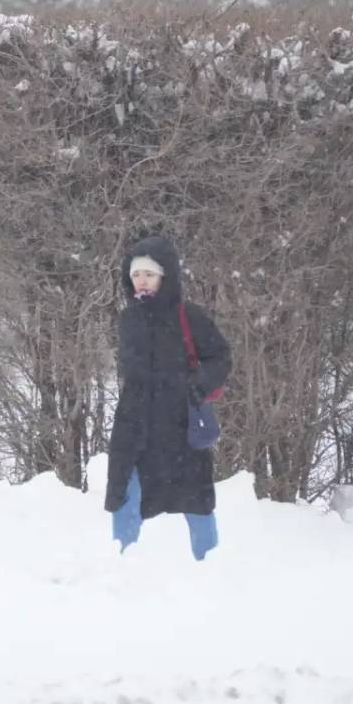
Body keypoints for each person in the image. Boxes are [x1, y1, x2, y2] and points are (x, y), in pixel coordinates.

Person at [106, 235, 232, 560]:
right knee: (124, 494)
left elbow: (220, 356)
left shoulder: (189, 316)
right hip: (135, 425)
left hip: (179, 423)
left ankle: (211, 566)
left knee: (197, 501)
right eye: (135, 274)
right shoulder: (127, 319)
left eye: (149, 273)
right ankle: (119, 567)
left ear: (165, 276)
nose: (142, 280)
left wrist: (198, 386)